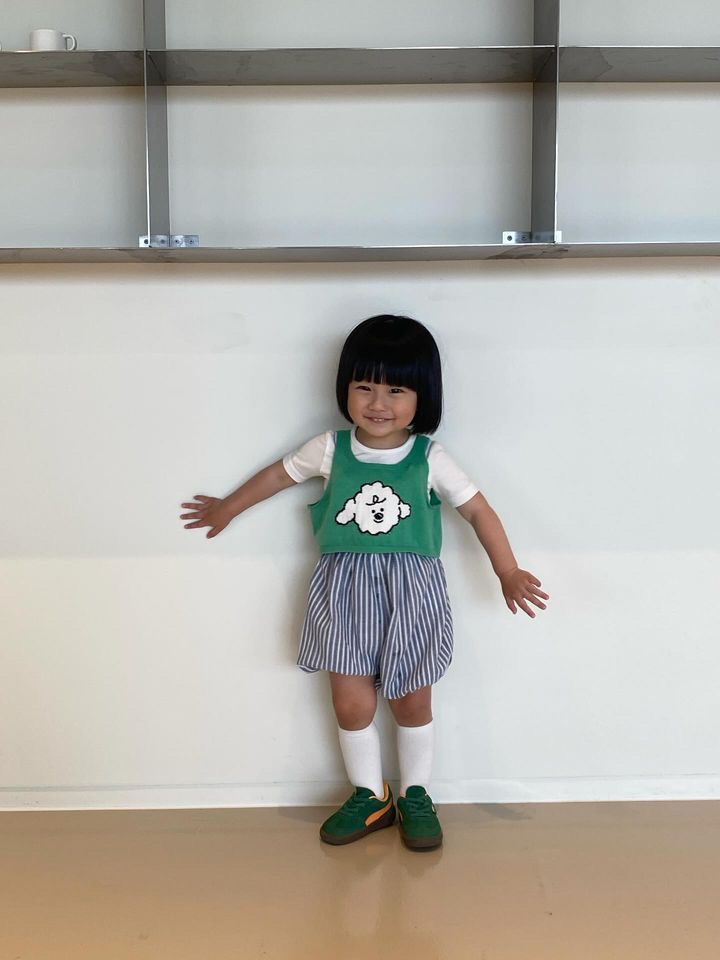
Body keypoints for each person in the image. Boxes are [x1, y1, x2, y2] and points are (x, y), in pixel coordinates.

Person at [180, 314, 549, 851]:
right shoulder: (330, 449)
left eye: (396, 390)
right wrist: (228, 507)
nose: (378, 403)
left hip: (413, 592)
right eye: (365, 387)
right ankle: (370, 796)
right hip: (344, 589)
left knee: (412, 700)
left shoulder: (430, 457)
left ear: (422, 396)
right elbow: (278, 475)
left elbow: (478, 511)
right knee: (351, 703)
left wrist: (507, 570)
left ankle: (416, 794)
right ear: (346, 388)